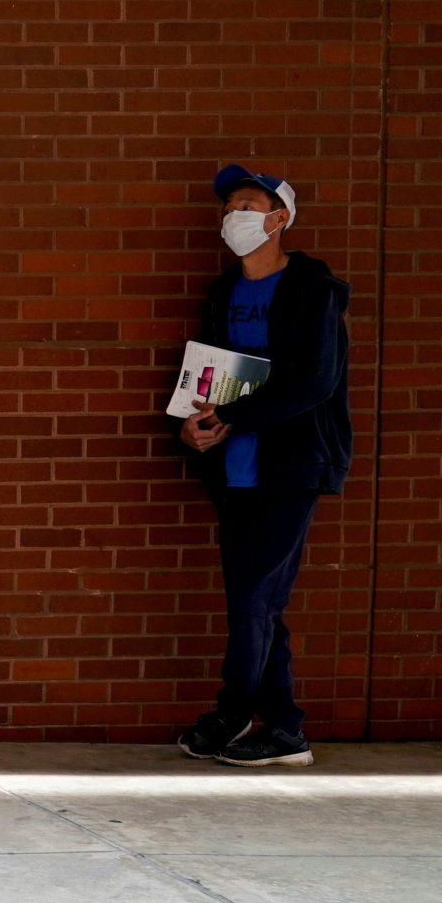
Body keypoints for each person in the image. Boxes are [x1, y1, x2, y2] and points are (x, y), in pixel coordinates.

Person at [173, 165, 352, 768]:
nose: (234, 217)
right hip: (233, 470)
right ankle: (277, 726)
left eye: (247, 205)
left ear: (279, 219)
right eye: (228, 208)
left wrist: (235, 415)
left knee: (253, 597)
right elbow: (207, 376)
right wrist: (193, 427)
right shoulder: (225, 291)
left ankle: (242, 716)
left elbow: (316, 381)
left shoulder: (312, 289)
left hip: (292, 467)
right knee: (257, 602)